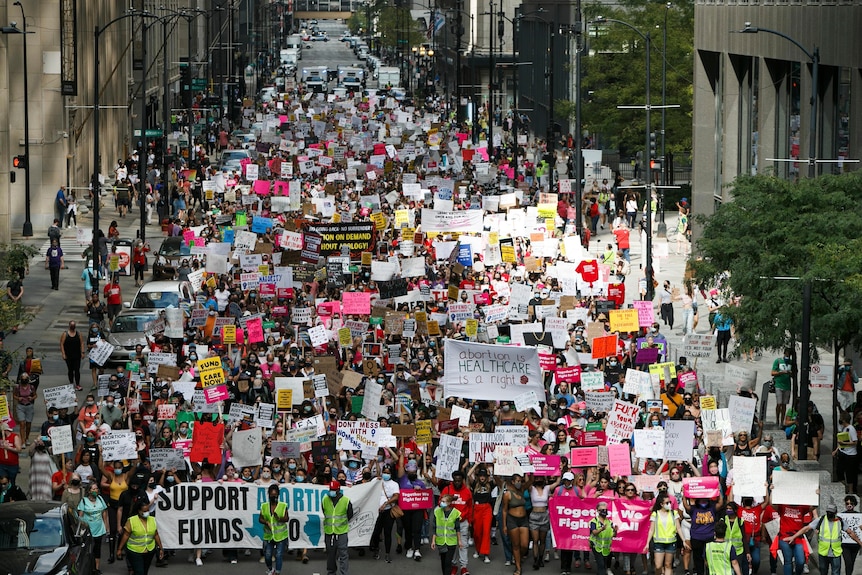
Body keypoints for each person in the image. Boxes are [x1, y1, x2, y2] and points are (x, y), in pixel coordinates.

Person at [117, 499, 164, 575]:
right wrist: (119, 549)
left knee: (145, 571)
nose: (147, 512)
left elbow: (156, 534)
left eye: (148, 510)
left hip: (149, 550)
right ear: (139, 511)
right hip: (134, 551)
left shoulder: (153, 520)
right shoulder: (132, 521)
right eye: (144, 511)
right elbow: (126, 535)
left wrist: (161, 548)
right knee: (139, 572)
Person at [646, 493, 689, 575]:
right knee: (658, 566)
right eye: (667, 503)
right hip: (658, 543)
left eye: (670, 502)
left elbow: (678, 528)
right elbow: (651, 530)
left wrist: (683, 540)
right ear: (661, 504)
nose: (669, 504)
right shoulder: (655, 514)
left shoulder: (674, 513)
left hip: (671, 542)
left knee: (668, 565)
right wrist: (647, 543)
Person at [440, 470, 473, 575]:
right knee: (451, 545)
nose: (457, 483)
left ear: (462, 481)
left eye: (459, 481)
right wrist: (450, 499)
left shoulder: (467, 491)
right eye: (455, 481)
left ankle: (463, 567)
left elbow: (470, 507)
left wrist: (470, 521)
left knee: (463, 544)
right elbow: (440, 504)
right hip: (450, 523)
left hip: (463, 522)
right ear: (453, 480)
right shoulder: (447, 489)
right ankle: (453, 565)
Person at [370, 463, 399, 562]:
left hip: (388, 511)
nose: (386, 474)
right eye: (384, 472)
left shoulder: (394, 484)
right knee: (376, 532)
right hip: (376, 511)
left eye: (388, 473)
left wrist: (386, 503)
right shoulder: (377, 480)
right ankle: (376, 550)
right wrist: (375, 482)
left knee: (387, 532)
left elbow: (396, 496)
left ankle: (387, 553)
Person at [323, 479, 353, 575]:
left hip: (341, 532)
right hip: (329, 532)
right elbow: (324, 512)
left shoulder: (346, 501)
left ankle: (344, 573)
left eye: (333, 490)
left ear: (338, 490)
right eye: (330, 489)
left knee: (343, 554)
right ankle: (331, 572)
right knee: (330, 554)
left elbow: (350, 514)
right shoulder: (325, 499)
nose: (331, 491)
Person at [79, 481, 109, 575]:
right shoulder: (84, 501)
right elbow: (80, 516)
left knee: (97, 549)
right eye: (93, 489)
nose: (96, 490)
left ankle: (96, 568)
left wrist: (106, 525)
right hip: (89, 530)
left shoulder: (100, 499)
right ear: (89, 491)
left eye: (96, 488)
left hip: (99, 529)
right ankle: (88, 568)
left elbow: (104, 512)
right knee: (88, 550)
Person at [260, 483, 289, 575]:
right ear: (268, 495)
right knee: (267, 555)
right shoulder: (264, 506)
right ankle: (270, 569)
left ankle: (277, 572)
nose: (273, 496)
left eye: (275, 495)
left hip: (281, 536)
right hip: (268, 536)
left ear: (278, 495)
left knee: (278, 555)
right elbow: (260, 518)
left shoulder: (283, 505)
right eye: (272, 495)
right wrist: (266, 522)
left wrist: (279, 518)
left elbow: (287, 518)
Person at [430, 494, 462, 575]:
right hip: (441, 542)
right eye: (441, 501)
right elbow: (434, 528)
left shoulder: (455, 513)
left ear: (449, 503)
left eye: (443, 501)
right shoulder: (437, 512)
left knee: (448, 562)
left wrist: (460, 541)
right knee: (443, 562)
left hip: (451, 542)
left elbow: (457, 528)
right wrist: (433, 541)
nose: (441, 503)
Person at [588, 500, 616, 575]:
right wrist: (601, 529)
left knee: (604, 565)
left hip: (606, 548)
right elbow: (594, 532)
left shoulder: (609, 522)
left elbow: (613, 535)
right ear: (597, 511)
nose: (604, 511)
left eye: (605, 509)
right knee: (601, 565)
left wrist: (615, 531)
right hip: (596, 546)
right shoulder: (594, 521)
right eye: (601, 510)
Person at [60, 321, 85, 391]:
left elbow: (82, 343)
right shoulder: (65, 334)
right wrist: (63, 353)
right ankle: (71, 383)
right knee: (70, 370)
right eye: (71, 325)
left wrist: (82, 352)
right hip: (68, 355)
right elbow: (61, 344)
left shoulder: (78, 334)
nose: (73, 326)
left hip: (77, 355)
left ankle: (77, 384)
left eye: (74, 325)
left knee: (77, 370)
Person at [771, 349, 793, 426]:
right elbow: (772, 372)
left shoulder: (791, 363)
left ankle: (782, 421)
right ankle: (777, 419)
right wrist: (781, 372)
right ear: (784, 354)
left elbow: (794, 374)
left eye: (789, 355)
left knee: (784, 405)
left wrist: (790, 373)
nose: (787, 356)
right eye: (786, 354)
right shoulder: (778, 361)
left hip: (787, 386)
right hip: (779, 385)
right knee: (779, 403)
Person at [0, 422, 24, 486]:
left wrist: (8, 448)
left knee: (11, 482)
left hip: (12, 465)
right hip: (1, 464)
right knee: (2, 482)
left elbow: (19, 449)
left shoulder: (14, 437)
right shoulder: (0, 437)